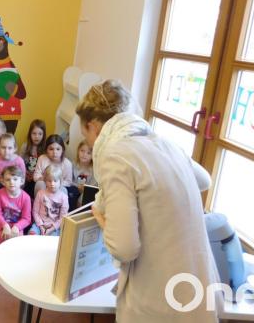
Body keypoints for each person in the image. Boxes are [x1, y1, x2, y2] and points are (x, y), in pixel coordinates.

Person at [76, 79, 219, 323]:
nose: (89, 144)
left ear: (93, 127)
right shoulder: (164, 144)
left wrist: (104, 221)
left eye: (86, 135)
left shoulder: (115, 155)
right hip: (199, 288)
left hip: (162, 298)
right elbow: (204, 180)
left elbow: (124, 248)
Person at [0, 166, 31, 271]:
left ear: (21, 181)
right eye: (8, 180)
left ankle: (10, 257)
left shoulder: (26, 198)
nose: (11, 182)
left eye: (15, 179)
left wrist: (17, 227)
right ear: (3, 182)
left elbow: (27, 218)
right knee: (4, 235)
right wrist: (4, 225)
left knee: (18, 239)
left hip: (16, 225)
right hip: (0, 222)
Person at [0, 133, 27, 221]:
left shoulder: (19, 161)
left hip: (14, 186)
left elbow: (23, 179)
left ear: (15, 149)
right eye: (3, 147)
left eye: (10, 148)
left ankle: (12, 214)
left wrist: (16, 185)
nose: (6, 151)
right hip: (0, 184)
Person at [33, 134, 81, 211]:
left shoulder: (67, 163)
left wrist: (56, 184)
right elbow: (36, 176)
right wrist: (45, 180)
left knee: (63, 190)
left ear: (62, 150)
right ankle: (40, 209)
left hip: (58, 187)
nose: (54, 152)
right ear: (46, 150)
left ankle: (58, 213)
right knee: (39, 183)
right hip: (45, 185)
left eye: (58, 149)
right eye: (51, 149)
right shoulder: (42, 158)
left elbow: (68, 182)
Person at [28, 165, 68, 236]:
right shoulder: (40, 193)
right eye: (49, 181)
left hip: (55, 227)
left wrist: (51, 229)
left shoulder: (64, 197)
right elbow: (35, 212)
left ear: (60, 181)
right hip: (39, 225)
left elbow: (63, 218)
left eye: (55, 181)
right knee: (31, 236)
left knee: (52, 243)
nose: (52, 184)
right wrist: (41, 226)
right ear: (45, 181)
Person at [18, 119, 46, 198]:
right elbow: (19, 162)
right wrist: (24, 174)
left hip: (36, 178)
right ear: (30, 134)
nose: (37, 136)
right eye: (34, 133)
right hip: (25, 177)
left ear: (43, 135)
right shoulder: (25, 146)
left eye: (40, 134)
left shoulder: (45, 149)